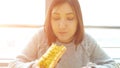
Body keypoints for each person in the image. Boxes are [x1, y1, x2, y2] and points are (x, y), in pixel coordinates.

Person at [8, 0, 116, 68]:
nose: (62, 25)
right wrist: (34, 66)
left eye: (70, 18)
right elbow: (13, 64)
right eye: (56, 18)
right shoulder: (40, 37)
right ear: (50, 20)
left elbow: (113, 64)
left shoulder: (86, 41)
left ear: (78, 20)